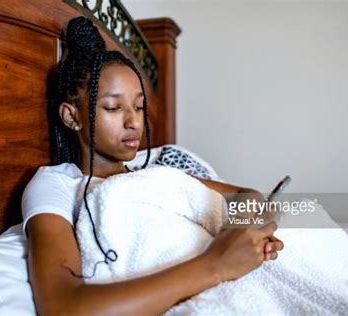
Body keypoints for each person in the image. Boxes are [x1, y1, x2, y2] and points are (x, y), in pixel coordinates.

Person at [22, 16, 284, 316]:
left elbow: (247, 194)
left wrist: (239, 234)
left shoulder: (155, 174)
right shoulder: (57, 184)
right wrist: (217, 264)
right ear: (71, 116)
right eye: (113, 107)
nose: (134, 122)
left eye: (138, 106)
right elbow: (62, 306)